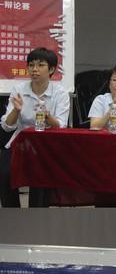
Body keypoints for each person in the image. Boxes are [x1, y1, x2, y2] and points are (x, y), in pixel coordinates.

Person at [0, 47, 70, 207]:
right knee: (4, 174)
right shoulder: (19, 90)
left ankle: (37, 216)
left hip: (46, 145)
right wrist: (16, 111)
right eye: (31, 65)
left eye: (40, 65)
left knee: (40, 180)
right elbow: (7, 126)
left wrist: (48, 117)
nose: (34, 69)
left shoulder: (60, 93)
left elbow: (61, 126)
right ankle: (12, 215)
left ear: (51, 69)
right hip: (20, 142)